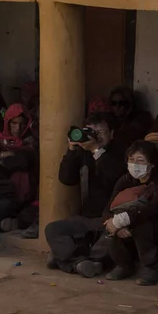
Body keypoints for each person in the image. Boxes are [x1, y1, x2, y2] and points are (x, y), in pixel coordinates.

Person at [45, 112, 126, 274]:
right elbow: (66, 179)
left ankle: (67, 258)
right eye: (90, 132)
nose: (95, 137)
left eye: (100, 132)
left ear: (111, 133)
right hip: (86, 220)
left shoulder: (121, 153)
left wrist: (97, 151)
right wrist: (71, 150)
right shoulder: (84, 152)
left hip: (109, 221)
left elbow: (114, 177)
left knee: (111, 243)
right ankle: (79, 262)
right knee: (52, 229)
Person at [101, 140, 158, 285]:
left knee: (140, 222)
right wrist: (115, 224)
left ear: (152, 164)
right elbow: (108, 209)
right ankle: (124, 265)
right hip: (132, 229)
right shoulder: (125, 180)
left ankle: (152, 268)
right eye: (131, 160)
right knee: (113, 225)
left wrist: (121, 221)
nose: (135, 164)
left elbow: (151, 209)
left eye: (140, 160)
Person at [0, 103, 38, 205]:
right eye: (14, 123)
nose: (18, 128)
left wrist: (5, 154)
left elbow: (28, 159)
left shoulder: (29, 141)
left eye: (22, 124)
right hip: (4, 193)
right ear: (8, 123)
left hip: (28, 195)